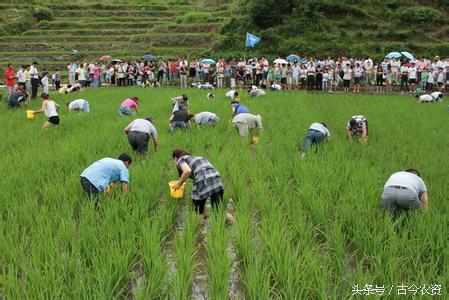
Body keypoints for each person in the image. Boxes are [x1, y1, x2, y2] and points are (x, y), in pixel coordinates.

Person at [171, 149, 225, 222]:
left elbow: (187, 171)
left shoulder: (180, 160)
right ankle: (232, 226)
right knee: (219, 212)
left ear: (175, 158)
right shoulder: (197, 158)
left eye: (173, 160)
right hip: (216, 179)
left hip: (202, 178)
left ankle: (199, 228)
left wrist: (178, 184)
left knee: (198, 208)